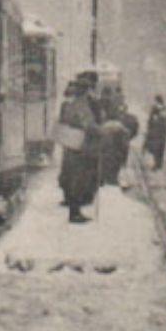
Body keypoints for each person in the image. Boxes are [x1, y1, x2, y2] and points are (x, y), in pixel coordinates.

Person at [57, 74, 101, 223]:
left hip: (70, 144)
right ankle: (75, 213)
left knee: (70, 176)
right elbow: (88, 125)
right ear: (85, 90)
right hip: (80, 145)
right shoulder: (81, 104)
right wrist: (100, 131)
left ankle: (73, 208)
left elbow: (63, 120)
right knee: (78, 178)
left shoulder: (71, 103)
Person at [144, 95, 166, 170]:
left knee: (156, 148)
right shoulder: (165, 109)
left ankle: (157, 164)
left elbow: (150, 120)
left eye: (155, 101)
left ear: (157, 101)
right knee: (160, 148)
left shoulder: (155, 109)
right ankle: (159, 163)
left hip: (156, 132)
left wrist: (150, 128)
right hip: (162, 132)